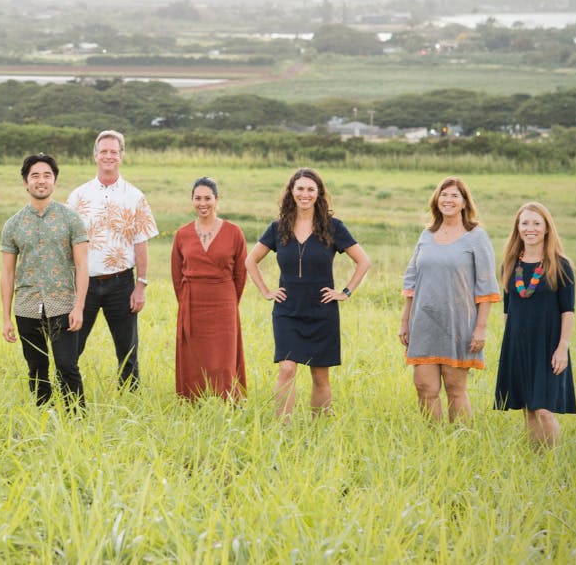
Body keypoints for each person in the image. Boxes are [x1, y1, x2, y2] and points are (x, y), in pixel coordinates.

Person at [245, 168, 371, 417]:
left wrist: (344, 292)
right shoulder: (278, 228)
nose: (305, 194)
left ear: (318, 193)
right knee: (287, 369)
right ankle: (283, 428)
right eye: (300, 188)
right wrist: (266, 291)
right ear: (291, 192)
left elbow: (364, 261)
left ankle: (319, 426)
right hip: (287, 310)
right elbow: (250, 261)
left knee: (320, 375)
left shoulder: (333, 227)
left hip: (322, 309)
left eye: (310, 189)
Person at [399, 176, 500, 422]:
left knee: (455, 390)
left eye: (455, 195)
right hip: (424, 323)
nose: (448, 200)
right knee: (424, 388)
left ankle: (461, 440)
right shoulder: (426, 235)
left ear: (465, 202)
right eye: (444, 195)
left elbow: (485, 285)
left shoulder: (476, 236)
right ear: (437, 200)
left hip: (459, 324)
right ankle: (434, 441)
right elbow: (411, 281)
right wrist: (405, 321)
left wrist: (481, 328)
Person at [67, 129, 158, 390]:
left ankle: (130, 398)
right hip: (85, 284)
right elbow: (68, 243)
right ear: (95, 156)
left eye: (114, 152)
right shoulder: (78, 196)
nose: (108, 156)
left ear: (121, 156)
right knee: (73, 344)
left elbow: (141, 242)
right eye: (103, 151)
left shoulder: (135, 196)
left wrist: (140, 285)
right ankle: (68, 394)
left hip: (122, 283)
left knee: (128, 350)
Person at [1, 154, 89, 410]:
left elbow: (83, 266)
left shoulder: (70, 219)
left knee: (66, 365)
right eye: (35, 176)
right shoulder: (13, 224)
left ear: (55, 181)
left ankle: (77, 419)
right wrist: (6, 317)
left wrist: (79, 306)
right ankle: (44, 416)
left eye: (47, 175)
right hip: (27, 306)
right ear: (26, 183)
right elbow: (7, 274)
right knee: (36, 366)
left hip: (63, 304)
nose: (41, 181)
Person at [494, 202, 576, 447]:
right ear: (518, 228)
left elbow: (568, 312)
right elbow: (508, 311)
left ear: (547, 228)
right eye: (525, 223)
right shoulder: (510, 265)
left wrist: (563, 348)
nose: (531, 228)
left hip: (548, 345)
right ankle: (536, 457)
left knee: (543, 410)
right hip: (518, 344)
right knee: (528, 408)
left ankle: (551, 459)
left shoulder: (560, 265)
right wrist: (509, 347)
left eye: (536, 223)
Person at [170, 177, 249, 400]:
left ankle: (226, 402)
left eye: (207, 198)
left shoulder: (234, 232)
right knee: (193, 355)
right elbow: (177, 275)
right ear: (192, 201)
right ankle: (194, 402)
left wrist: (230, 301)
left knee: (223, 358)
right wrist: (186, 300)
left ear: (216, 200)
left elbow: (241, 274)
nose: (202, 203)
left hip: (224, 301)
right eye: (198, 198)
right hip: (192, 301)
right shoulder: (182, 234)